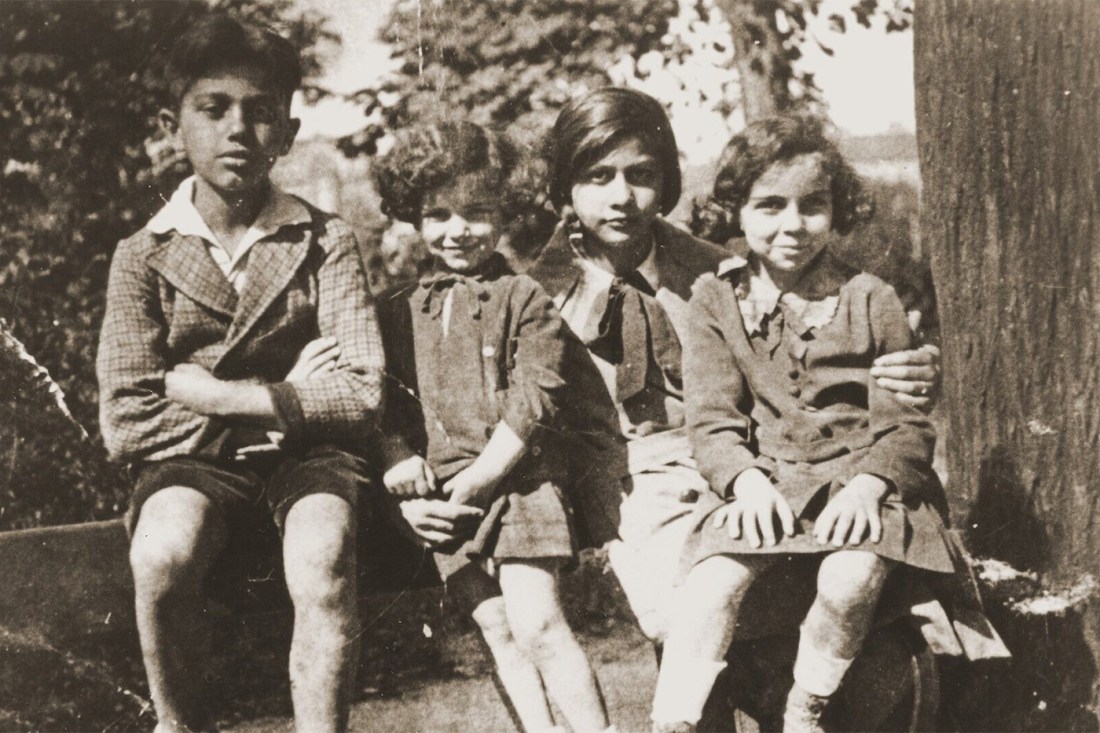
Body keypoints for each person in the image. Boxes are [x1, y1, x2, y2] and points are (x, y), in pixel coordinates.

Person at [527, 87, 941, 642]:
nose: (622, 197)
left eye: (641, 174)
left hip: (740, 467)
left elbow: (818, 347)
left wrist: (914, 366)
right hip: (619, 482)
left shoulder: (720, 275)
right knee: (687, 609)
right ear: (565, 188)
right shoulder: (534, 295)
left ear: (668, 180)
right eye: (598, 176)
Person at [96, 15, 382, 732]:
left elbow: (361, 392)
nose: (238, 130)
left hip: (309, 459)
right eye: (213, 108)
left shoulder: (325, 240)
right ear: (174, 125)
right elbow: (127, 419)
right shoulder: (144, 253)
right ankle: (179, 723)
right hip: (193, 464)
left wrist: (221, 393)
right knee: (161, 550)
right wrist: (286, 396)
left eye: (260, 114)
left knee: (325, 551)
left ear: (285, 133)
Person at [650, 115, 957, 732]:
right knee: (709, 585)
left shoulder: (872, 296)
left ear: (836, 209)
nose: (792, 224)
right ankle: (672, 723)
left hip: (861, 483)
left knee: (851, 574)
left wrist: (872, 484)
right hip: (769, 482)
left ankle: (805, 709)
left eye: (812, 206)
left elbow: (906, 425)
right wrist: (743, 483)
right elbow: (711, 419)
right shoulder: (716, 299)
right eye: (769, 205)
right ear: (736, 211)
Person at [370, 120, 617, 733]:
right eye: (439, 214)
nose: (458, 231)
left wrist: (479, 480)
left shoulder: (524, 296)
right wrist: (399, 457)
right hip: (441, 498)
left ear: (505, 211)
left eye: (478, 211)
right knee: (496, 626)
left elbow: (534, 401)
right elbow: (380, 404)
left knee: (537, 620)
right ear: (414, 217)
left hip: (518, 482)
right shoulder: (395, 310)